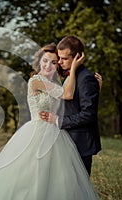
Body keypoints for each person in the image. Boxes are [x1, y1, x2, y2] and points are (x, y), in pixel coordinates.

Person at [0, 44, 99, 200]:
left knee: (57, 178)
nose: (48, 65)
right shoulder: (36, 81)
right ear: (39, 62)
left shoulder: (56, 84)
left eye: (53, 62)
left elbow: (71, 105)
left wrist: (96, 89)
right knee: (30, 177)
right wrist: (75, 67)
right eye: (45, 60)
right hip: (36, 132)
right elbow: (68, 94)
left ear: (57, 66)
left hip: (56, 133)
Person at [39, 36, 102, 176]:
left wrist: (57, 120)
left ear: (78, 57)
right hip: (68, 140)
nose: (60, 62)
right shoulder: (71, 75)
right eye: (59, 58)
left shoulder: (86, 78)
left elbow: (88, 115)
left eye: (64, 58)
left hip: (80, 143)